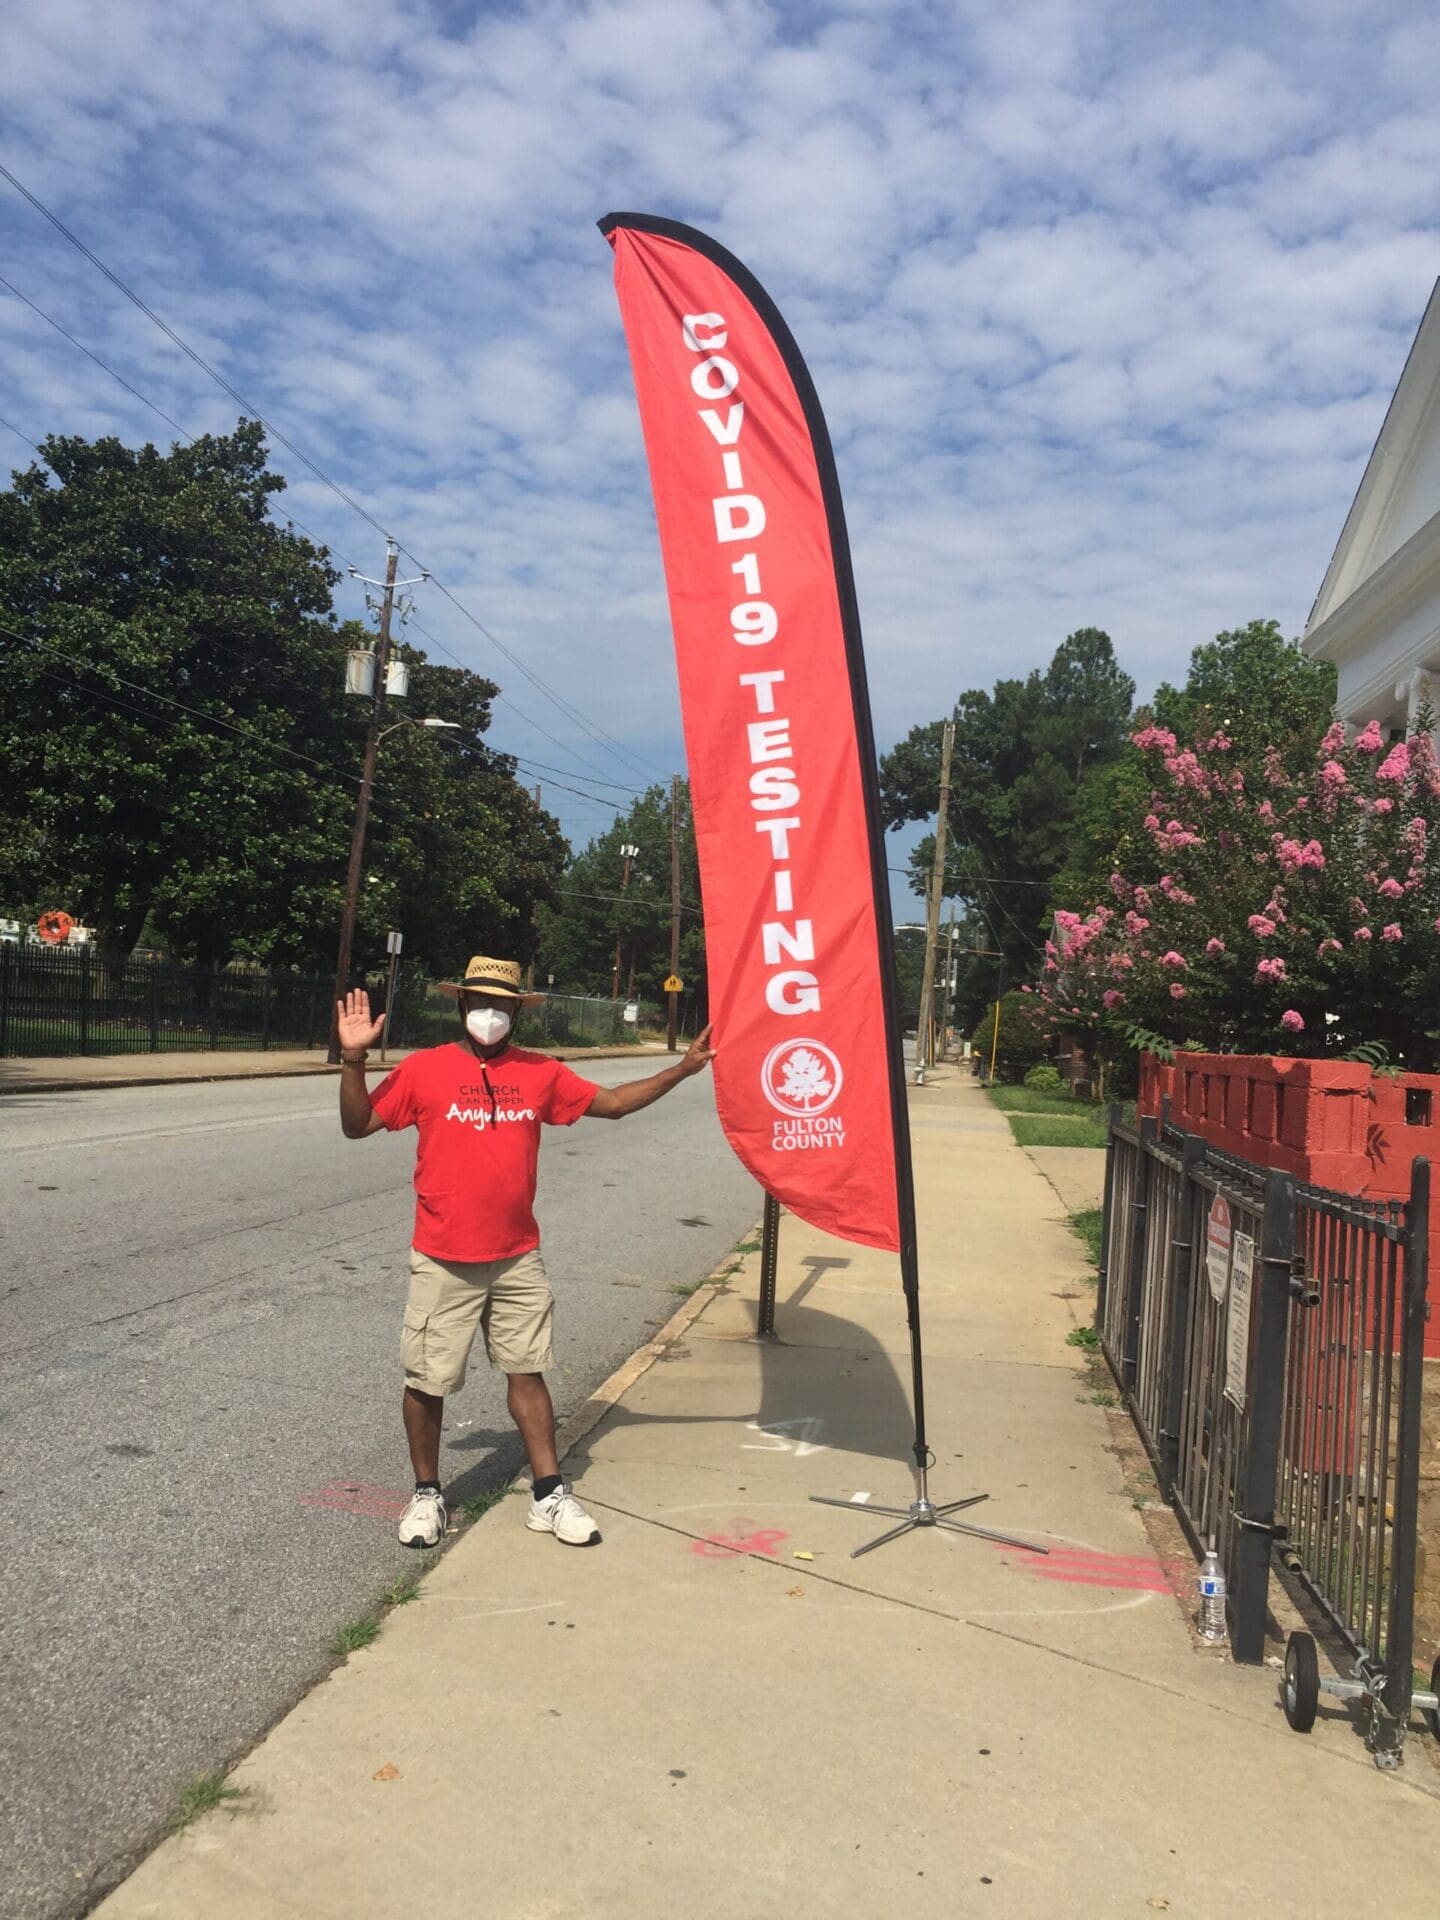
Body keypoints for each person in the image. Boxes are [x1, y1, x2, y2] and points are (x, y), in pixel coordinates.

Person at [336, 954, 714, 1550]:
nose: (491, 1014)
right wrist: (353, 1057)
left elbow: (613, 1104)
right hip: (442, 1255)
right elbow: (357, 1125)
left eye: (502, 1005)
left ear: (517, 1011)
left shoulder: (541, 1073)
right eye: (480, 1003)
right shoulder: (424, 1070)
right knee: (427, 1380)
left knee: (528, 1371)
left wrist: (684, 1070)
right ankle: (428, 1493)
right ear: (461, 1006)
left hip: (516, 1256)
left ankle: (549, 1494)